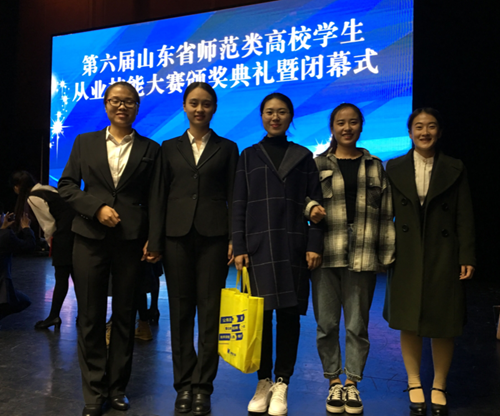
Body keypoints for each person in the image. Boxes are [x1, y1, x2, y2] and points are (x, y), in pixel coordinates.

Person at [58, 81, 160, 416]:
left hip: (131, 242)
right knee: (89, 316)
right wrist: (96, 208)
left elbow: (155, 198)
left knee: (125, 317)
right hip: (89, 238)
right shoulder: (84, 142)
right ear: (105, 105)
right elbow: (67, 185)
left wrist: (153, 238)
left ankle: (117, 388)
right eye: (115, 100)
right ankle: (93, 391)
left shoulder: (150, 148)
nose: (122, 106)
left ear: (137, 107)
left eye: (129, 101)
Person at [147, 82, 238, 416]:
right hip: (176, 238)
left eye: (206, 104)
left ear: (214, 108)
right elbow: (158, 196)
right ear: (185, 106)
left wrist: (235, 238)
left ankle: (203, 388)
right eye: (194, 103)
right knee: (181, 312)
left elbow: (235, 196)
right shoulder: (168, 147)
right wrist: (155, 241)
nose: (200, 109)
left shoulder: (228, 148)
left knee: (210, 313)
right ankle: (183, 385)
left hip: (214, 238)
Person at [232, 92, 323, 416]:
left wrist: (314, 244)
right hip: (259, 247)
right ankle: (263, 381)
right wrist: (239, 247)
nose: (275, 117)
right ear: (262, 117)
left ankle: (282, 383)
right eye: (269, 112)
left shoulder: (303, 156)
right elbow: (239, 205)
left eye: (282, 112)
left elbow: (316, 205)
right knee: (261, 317)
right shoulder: (248, 156)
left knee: (289, 316)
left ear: (290, 116)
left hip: (293, 246)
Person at [384, 108, 475, 416]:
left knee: (444, 321)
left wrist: (467, 255)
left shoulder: (455, 167)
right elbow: (385, 214)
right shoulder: (393, 167)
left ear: (440, 131)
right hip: (407, 252)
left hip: (444, 252)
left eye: (431, 126)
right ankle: (413, 382)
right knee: (408, 319)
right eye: (419, 127)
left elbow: (464, 214)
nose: (425, 132)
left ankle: (439, 384)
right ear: (410, 132)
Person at [307, 103, 395, 414]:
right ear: (332, 127)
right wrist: (309, 209)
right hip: (326, 254)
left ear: (361, 126)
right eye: (341, 123)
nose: (347, 128)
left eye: (353, 122)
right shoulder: (317, 164)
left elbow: (386, 213)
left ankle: (352, 383)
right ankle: (333, 381)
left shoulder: (375, 166)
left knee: (357, 325)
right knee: (326, 324)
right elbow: (302, 199)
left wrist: (385, 254)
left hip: (363, 254)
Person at [10, 170, 75, 330]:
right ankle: (83, 316)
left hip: (63, 237)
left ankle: (54, 316)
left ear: (18, 187)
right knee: (76, 276)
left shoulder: (33, 197)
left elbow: (48, 224)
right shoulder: (46, 189)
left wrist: (50, 244)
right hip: (74, 233)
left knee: (61, 278)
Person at [0, 212, 34, 320]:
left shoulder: (5, 234)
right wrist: (26, 228)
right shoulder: (6, 236)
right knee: (24, 301)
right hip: (1, 285)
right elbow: (29, 245)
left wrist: (3, 228)